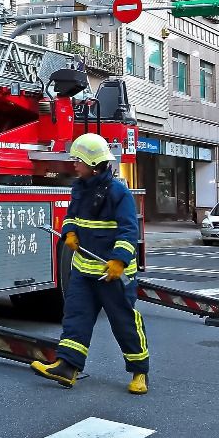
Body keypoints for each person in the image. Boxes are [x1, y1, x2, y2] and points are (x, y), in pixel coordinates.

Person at [30, 133, 150, 395]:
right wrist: (69, 232)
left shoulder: (119, 193)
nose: (74, 164)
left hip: (114, 275)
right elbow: (71, 216)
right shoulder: (79, 187)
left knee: (124, 323)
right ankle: (67, 367)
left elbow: (128, 231)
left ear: (93, 165)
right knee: (76, 318)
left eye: (78, 160)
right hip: (84, 270)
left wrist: (119, 261)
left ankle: (140, 370)